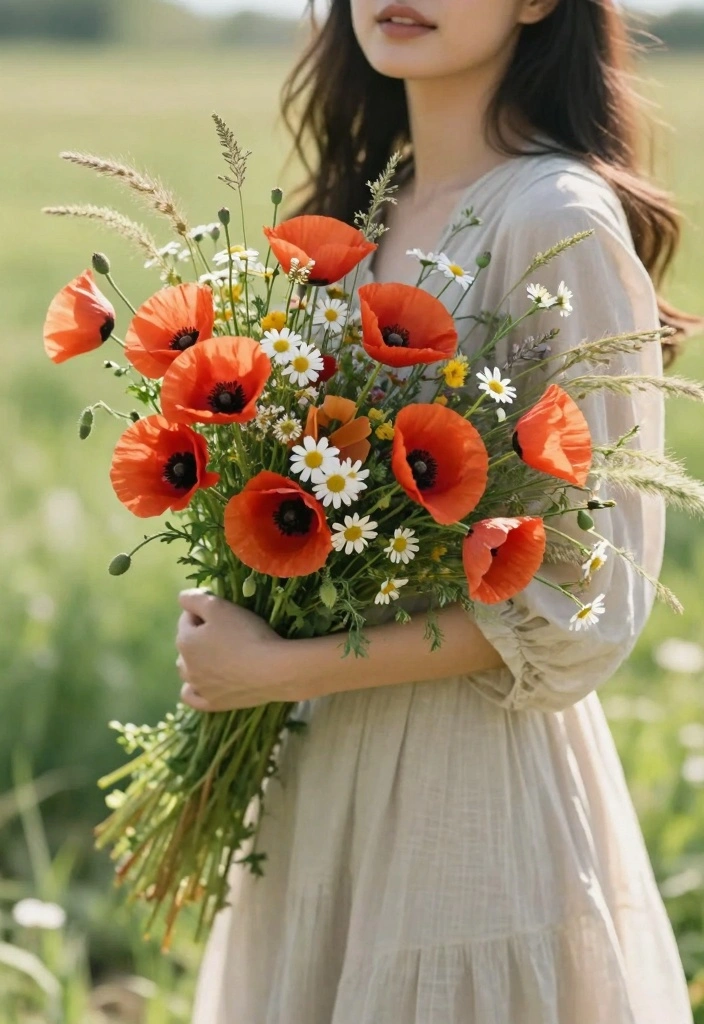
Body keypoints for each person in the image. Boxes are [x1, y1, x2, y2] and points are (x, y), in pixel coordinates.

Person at [181, 1, 699, 1021]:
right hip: (315, 777)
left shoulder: (554, 221)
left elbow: (583, 601)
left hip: (463, 794)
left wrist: (278, 666)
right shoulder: (360, 211)